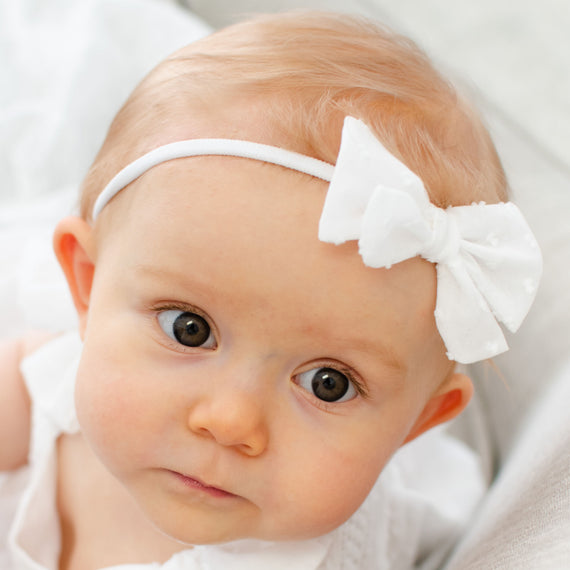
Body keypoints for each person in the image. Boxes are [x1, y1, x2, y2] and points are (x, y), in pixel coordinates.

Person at [0, 11, 541, 570]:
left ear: (418, 422)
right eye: (190, 329)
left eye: (328, 385)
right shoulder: (61, 377)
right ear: (88, 286)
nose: (231, 421)